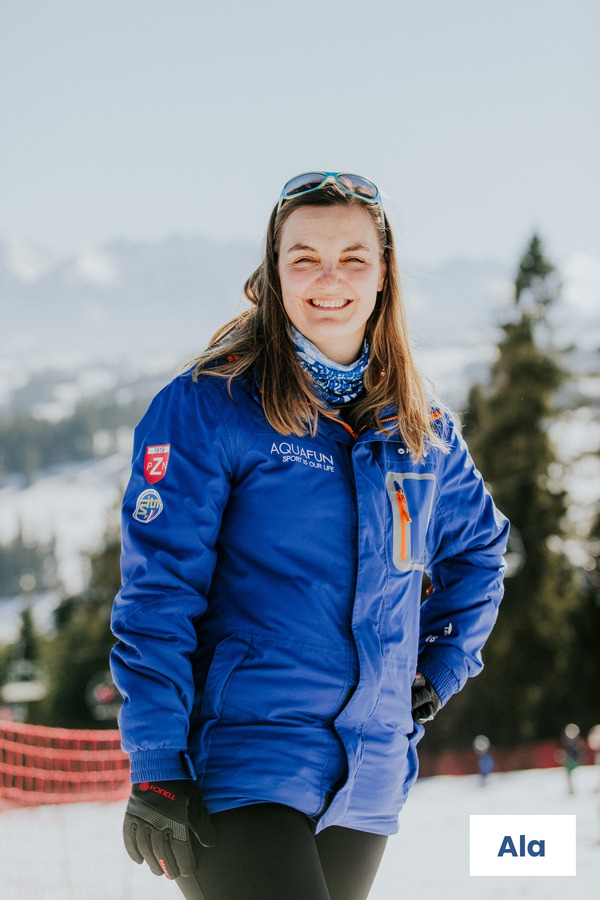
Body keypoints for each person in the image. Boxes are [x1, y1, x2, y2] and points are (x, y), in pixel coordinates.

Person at [110, 171, 509, 900]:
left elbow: (480, 552)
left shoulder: (420, 429)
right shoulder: (212, 405)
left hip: (370, 776)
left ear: (383, 273)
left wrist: (441, 666)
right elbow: (158, 593)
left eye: (353, 258)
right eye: (305, 259)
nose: (330, 279)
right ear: (275, 271)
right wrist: (157, 758)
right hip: (244, 762)